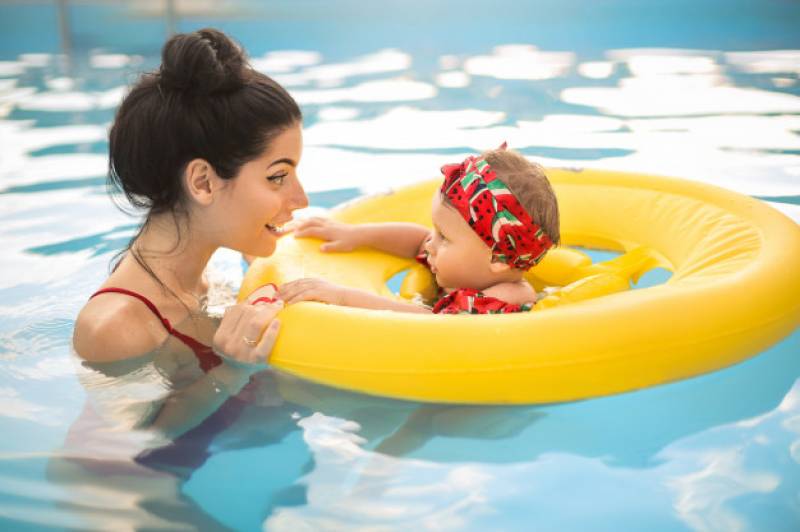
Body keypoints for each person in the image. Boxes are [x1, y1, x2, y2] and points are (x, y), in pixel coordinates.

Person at [73, 28, 307, 382]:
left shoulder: (204, 281)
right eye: (277, 177)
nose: (301, 200)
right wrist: (231, 371)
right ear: (203, 182)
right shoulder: (114, 330)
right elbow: (120, 439)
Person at [279, 146, 560, 314]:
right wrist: (356, 234)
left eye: (444, 238)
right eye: (436, 232)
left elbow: (432, 323)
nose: (430, 244)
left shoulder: (507, 298)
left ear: (498, 259)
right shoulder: (471, 262)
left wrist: (342, 296)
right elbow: (417, 240)